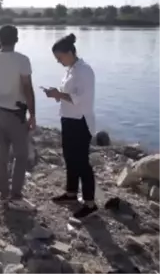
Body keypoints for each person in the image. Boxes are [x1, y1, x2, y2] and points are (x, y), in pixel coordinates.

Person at [43, 33, 97, 219]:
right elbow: (68, 96)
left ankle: (90, 203)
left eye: (60, 57)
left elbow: (79, 99)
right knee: (69, 158)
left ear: (69, 52)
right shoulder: (70, 69)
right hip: (68, 119)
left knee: (82, 162)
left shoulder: (84, 70)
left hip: (81, 121)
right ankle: (71, 193)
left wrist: (59, 94)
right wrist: (57, 94)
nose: (58, 61)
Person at [0, 25, 35, 207]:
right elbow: (27, 89)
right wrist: (33, 114)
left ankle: (3, 192)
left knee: (2, 152)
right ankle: (15, 194)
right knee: (21, 155)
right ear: (16, 39)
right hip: (15, 113)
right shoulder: (22, 60)